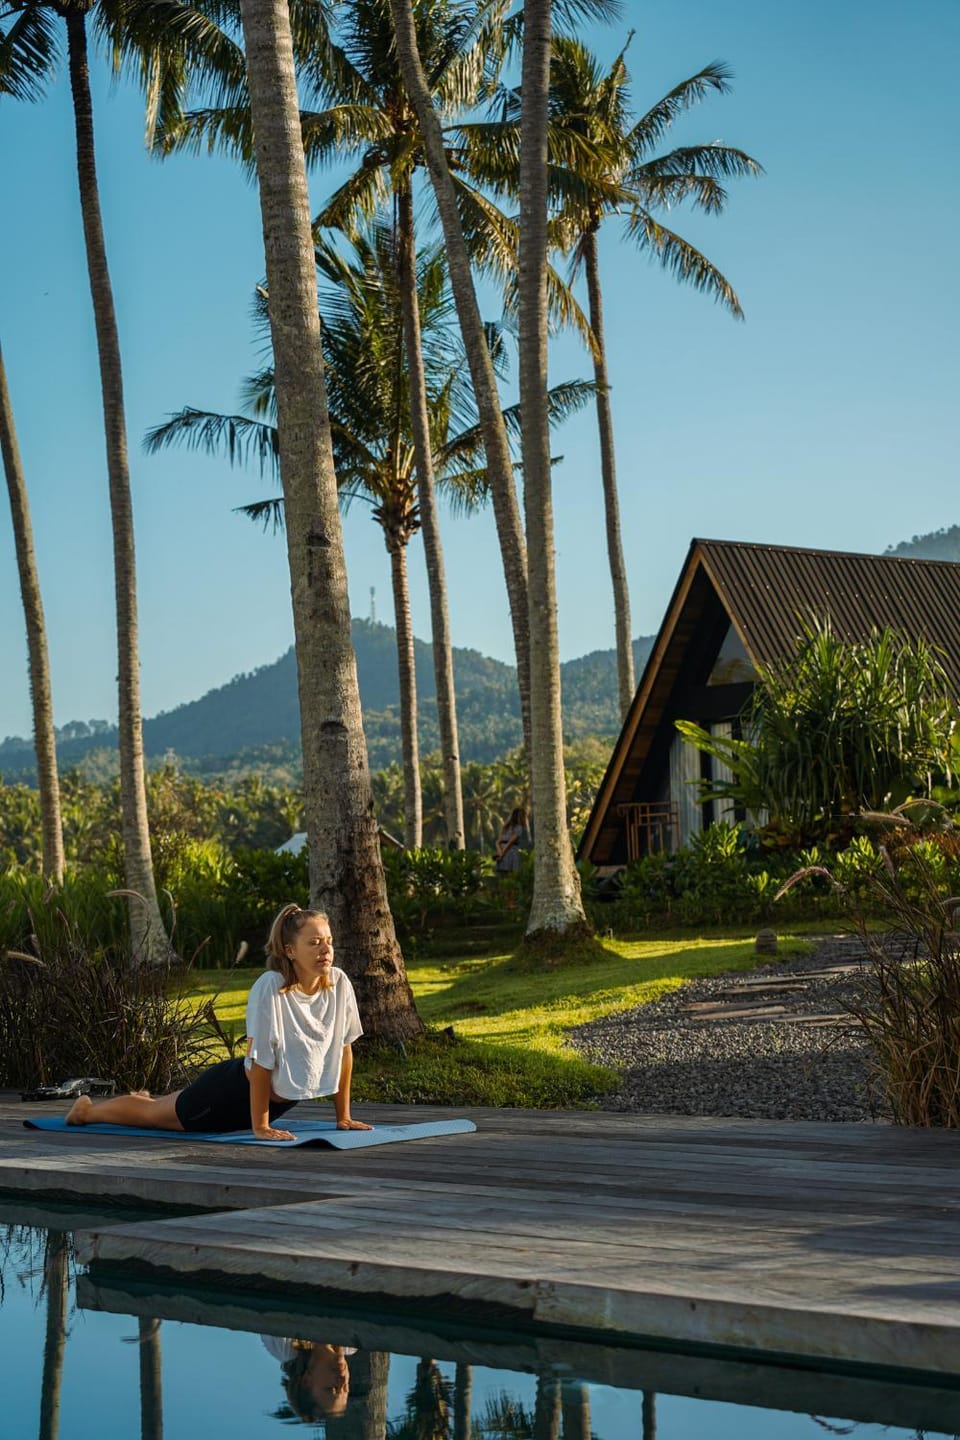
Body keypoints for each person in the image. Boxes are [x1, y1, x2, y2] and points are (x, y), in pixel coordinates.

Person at [65, 904, 373, 1139]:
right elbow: (261, 1060)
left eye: (328, 941)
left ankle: (124, 1102)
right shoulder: (271, 986)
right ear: (290, 951)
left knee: (162, 1107)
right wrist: (261, 1126)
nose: (325, 949)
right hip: (231, 1093)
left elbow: (343, 1051)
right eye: (315, 942)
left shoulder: (338, 982)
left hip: (276, 1101)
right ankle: (85, 1113)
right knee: (155, 1115)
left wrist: (343, 1117)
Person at [261, 1336, 355, 1422]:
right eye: (346, 1388)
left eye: (332, 1388)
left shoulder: (285, 1347)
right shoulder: (353, 1342)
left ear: (306, 1381)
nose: (343, 1380)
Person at [494, 807, 529, 875]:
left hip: (502, 851)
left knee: (503, 877)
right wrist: (502, 854)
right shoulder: (519, 828)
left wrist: (500, 853)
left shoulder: (506, 827)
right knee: (512, 876)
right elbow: (510, 842)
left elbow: (498, 842)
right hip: (511, 853)